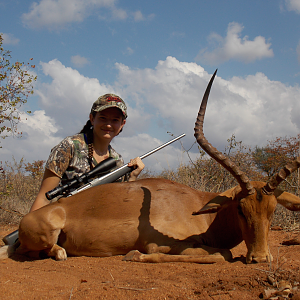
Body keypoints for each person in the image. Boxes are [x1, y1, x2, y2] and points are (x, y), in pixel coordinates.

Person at [30, 93, 144, 212]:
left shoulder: (117, 161)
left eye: (115, 120)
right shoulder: (70, 146)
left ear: (122, 124)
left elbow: (119, 205)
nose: (108, 124)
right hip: (59, 218)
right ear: (92, 118)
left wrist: (132, 177)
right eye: (103, 118)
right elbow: (44, 197)